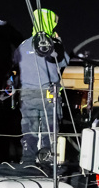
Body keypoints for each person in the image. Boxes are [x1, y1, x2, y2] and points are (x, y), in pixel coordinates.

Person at [12, 9, 69, 165]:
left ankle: (28, 161)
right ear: (50, 23)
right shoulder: (52, 44)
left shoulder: (23, 45)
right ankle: (46, 162)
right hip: (48, 94)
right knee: (49, 131)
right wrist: (59, 42)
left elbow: (15, 63)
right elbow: (64, 62)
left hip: (27, 95)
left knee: (29, 131)